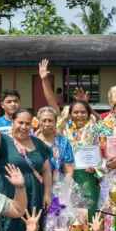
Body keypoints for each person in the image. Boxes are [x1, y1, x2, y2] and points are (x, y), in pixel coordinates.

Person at [39, 60, 100, 217]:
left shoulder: (96, 129)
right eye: (76, 112)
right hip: (63, 178)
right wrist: (45, 80)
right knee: (64, 214)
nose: (79, 115)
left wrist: (96, 169)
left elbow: (102, 154)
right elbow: (53, 106)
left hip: (87, 176)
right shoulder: (63, 128)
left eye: (83, 112)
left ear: (88, 114)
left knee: (86, 214)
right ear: (70, 114)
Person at [36, 106, 74, 179]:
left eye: (50, 121)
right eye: (44, 120)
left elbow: (68, 171)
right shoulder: (31, 140)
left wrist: (66, 185)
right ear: (38, 122)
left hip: (58, 184)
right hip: (34, 183)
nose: (47, 124)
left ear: (56, 122)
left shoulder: (63, 142)